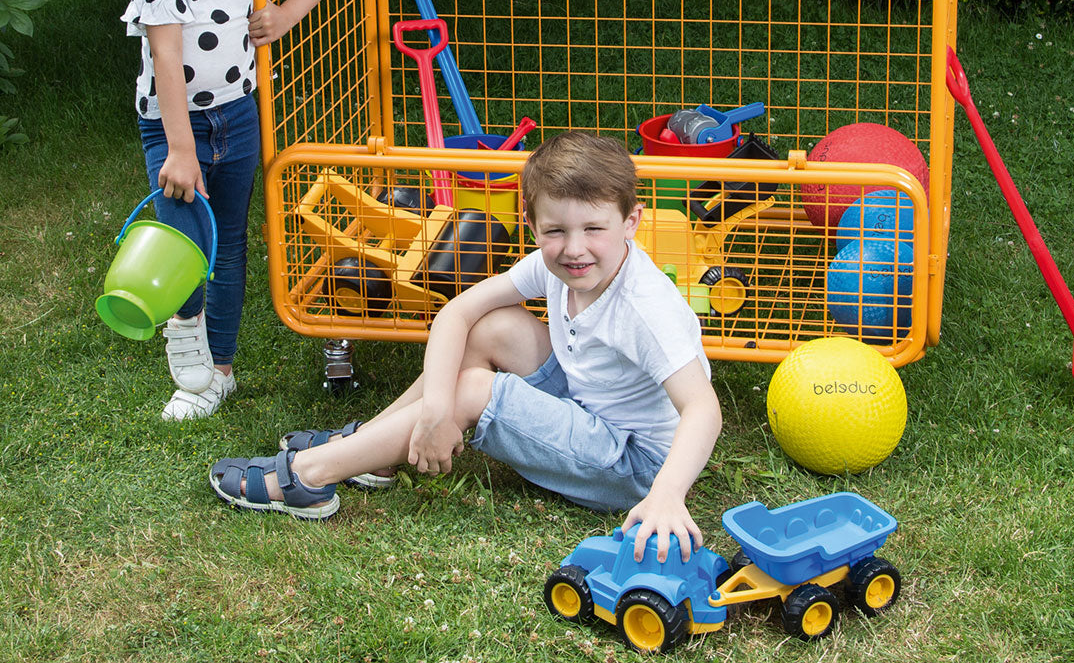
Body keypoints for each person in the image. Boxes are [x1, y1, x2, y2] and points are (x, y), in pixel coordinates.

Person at [210, 132, 723, 560]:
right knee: (492, 326)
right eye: (556, 230)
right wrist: (436, 409)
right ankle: (370, 449)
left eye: (594, 228)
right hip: (587, 402)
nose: (574, 248)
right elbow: (456, 313)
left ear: (631, 222)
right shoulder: (557, 264)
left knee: (476, 388)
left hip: (636, 466)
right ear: (532, 225)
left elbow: (703, 409)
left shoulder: (644, 308)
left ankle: (309, 477)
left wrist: (666, 495)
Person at [121, 0, 342, 420]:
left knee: (229, 242)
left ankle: (219, 370)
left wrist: (286, 15)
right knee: (185, 236)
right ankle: (185, 340)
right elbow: (166, 56)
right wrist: (180, 149)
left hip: (238, 113)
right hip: (175, 122)